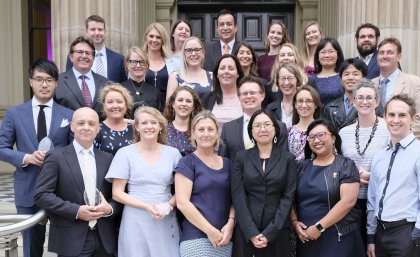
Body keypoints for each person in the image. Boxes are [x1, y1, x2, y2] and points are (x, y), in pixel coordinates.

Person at [0, 59, 73, 257]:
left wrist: (57, 158)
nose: (44, 84)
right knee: (31, 246)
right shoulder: (14, 114)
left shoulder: (68, 114)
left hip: (61, 189)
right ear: (30, 81)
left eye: (49, 80)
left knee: (66, 246)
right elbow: (1, 148)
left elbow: (74, 150)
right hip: (27, 187)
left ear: (56, 83)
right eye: (39, 79)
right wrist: (26, 157)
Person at [34, 107, 119, 257]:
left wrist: (110, 209)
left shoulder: (107, 159)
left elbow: (117, 195)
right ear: (72, 126)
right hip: (71, 238)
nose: (86, 127)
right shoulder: (55, 157)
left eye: (91, 124)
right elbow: (42, 195)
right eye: (81, 123)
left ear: (98, 129)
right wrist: (77, 211)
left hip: (104, 238)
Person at [105, 106, 181, 257]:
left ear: (160, 127)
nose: (149, 126)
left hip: (164, 216)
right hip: (135, 218)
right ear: (137, 127)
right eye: (144, 123)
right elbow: (117, 193)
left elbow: (181, 190)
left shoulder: (173, 154)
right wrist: (146, 206)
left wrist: (169, 205)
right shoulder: (125, 153)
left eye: (153, 122)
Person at [292, 119, 364, 257]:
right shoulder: (301, 167)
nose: (316, 140)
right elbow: (288, 197)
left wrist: (320, 227)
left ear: (333, 138)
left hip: (338, 236)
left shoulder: (345, 165)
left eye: (321, 135)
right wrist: (294, 222)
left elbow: (348, 202)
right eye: (311, 137)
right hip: (306, 237)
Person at [231, 109, 297, 257]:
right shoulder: (241, 158)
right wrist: (251, 232)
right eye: (257, 125)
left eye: (267, 124)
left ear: (275, 128)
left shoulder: (288, 159)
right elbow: (238, 196)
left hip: (278, 231)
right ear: (251, 131)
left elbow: (288, 197)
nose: (263, 129)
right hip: (246, 231)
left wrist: (270, 232)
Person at [175, 111, 235, 257]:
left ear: (217, 133)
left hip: (224, 237)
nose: (206, 134)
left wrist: (231, 223)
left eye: (210, 129)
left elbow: (235, 199)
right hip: (196, 238)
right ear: (193, 134)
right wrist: (210, 231)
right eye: (201, 130)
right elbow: (182, 203)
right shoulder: (187, 162)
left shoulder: (228, 164)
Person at [367, 94, 420, 257]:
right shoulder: (379, 156)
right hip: (380, 235)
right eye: (391, 114)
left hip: (408, 234)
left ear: (413, 119)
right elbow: (372, 199)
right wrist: (371, 237)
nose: (395, 120)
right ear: (384, 117)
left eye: (402, 115)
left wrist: (417, 234)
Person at [339, 79, 389, 249]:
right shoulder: (344, 133)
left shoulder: (389, 129)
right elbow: (339, 164)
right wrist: (354, 174)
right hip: (351, 202)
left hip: (380, 199)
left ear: (377, 102)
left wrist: (373, 175)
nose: (364, 101)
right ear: (352, 102)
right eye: (360, 97)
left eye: (369, 97)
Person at [219, 76, 288, 161]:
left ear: (262, 96)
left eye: (252, 93)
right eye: (244, 93)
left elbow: (285, 162)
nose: (249, 96)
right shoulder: (228, 129)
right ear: (239, 98)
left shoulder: (279, 127)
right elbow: (223, 162)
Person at [371, 37, 420, 138]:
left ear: (399, 57)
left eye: (389, 52)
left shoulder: (414, 82)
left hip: (405, 143)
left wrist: (405, 141)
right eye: (381, 52)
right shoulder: (370, 85)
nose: (384, 56)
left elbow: (418, 118)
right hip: (373, 143)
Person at [323, 58, 383, 130]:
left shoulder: (373, 103)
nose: (350, 78)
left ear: (364, 78)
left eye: (355, 74)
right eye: (346, 74)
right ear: (341, 79)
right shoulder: (329, 108)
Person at [55, 36, 108, 118]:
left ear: (93, 58)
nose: (84, 56)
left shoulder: (106, 83)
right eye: (80, 52)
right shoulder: (57, 81)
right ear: (71, 57)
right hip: (68, 130)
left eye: (88, 53)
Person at [66, 15, 127, 83]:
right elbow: (69, 82)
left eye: (100, 29)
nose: (97, 33)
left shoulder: (119, 59)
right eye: (93, 29)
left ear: (105, 31)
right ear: (86, 31)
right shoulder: (75, 57)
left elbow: (123, 86)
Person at [202, 54, 244, 129]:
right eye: (222, 68)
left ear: (238, 74)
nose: (226, 71)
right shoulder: (208, 98)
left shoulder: (246, 96)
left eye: (231, 68)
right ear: (217, 74)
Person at [166, 37, 213, 101]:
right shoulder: (175, 76)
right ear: (184, 54)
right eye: (189, 50)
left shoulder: (212, 76)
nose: (193, 54)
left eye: (197, 50)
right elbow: (169, 106)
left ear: (203, 53)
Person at [94, 83, 134, 156]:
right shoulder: (96, 130)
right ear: (104, 106)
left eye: (119, 102)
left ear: (126, 105)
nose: (115, 106)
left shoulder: (135, 129)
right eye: (110, 102)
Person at [164, 86, 203, 156]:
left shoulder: (199, 130)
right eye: (180, 100)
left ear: (193, 106)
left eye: (188, 101)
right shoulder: (163, 129)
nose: (184, 104)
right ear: (173, 104)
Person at [121, 46, 161, 115]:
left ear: (147, 65)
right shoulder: (120, 89)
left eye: (142, 62)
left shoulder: (155, 91)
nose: (138, 65)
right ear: (127, 64)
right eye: (134, 62)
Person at [234, 42, 275, 108]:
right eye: (241, 53)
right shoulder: (231, 83)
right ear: (236, 58)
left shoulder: (262, 83)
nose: (245, 56)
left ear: (253, 59)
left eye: (248, 53)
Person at [266, 63, 307, 127]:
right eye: (282, 78)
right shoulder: (270, 108)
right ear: (278, 82)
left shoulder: (306, 106)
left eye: (290, 78)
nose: (286, 83)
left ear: (297, 80)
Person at [287, 85, 322, 161]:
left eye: (309, 101)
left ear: (316, 105)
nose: (304, 105)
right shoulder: (288, 132)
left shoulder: (323, 131)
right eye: (300, 101)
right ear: (295, 104)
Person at [143, 23, 173, 108]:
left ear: (163, 40)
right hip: (145, 109)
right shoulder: (139, 61)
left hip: (166, 109)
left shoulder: (172, 63)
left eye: (158, 37)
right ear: (146, 38)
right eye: (151, 36)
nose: (154, 40)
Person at [308, 38, 345, 105]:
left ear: (338, 55)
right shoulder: (311, 79)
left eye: (331, 51)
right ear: (317, 56)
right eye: (323, 52)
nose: (327, 55)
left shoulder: (344, 77)